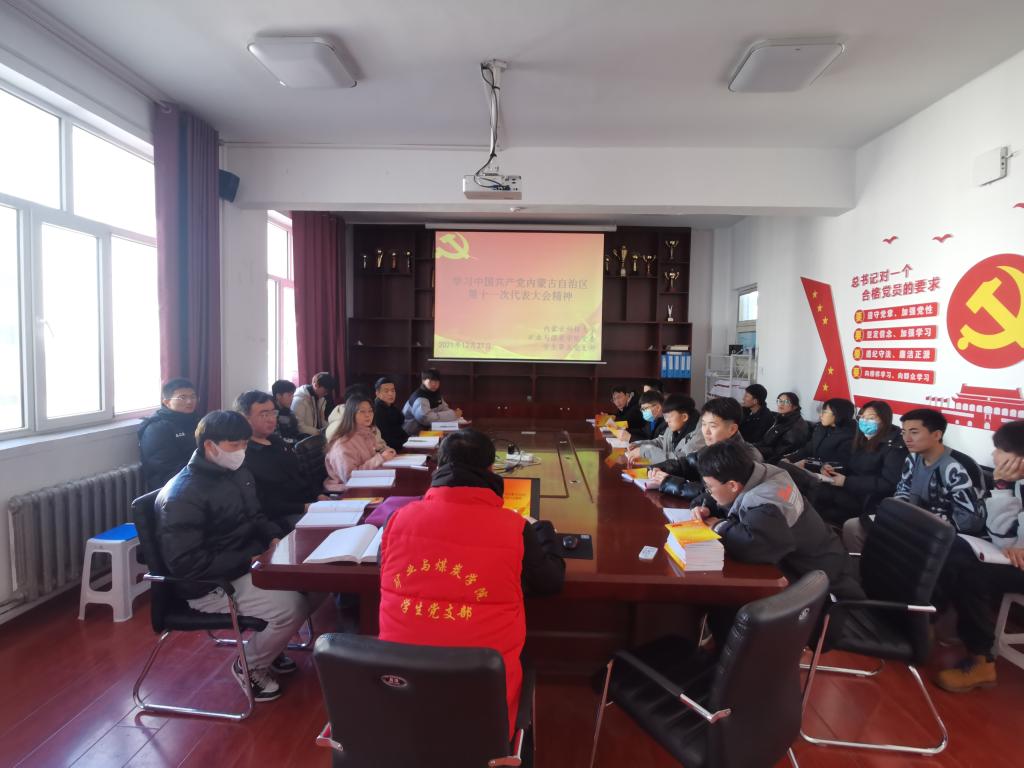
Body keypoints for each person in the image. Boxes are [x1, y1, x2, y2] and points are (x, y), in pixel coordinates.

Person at [378, 429, 565, 737]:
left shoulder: (397, 519)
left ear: (439, 466)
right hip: (484, 708)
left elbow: (385, 570)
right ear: (490, 469)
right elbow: (550, 581)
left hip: (400, 699)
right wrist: (543, 530)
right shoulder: (515, 528)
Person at [154, 410, 320, 702]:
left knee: (316, 584)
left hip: (247, 564)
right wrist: (252, 557)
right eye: (235, 445)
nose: (242, 452)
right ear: (210, 446)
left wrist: (272, 537)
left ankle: (270, 647)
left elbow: (256, 516)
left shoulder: (236, 473)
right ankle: (250, 666)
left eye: (245, 444)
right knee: (291, 607)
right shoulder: (183, 494)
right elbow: (187, 564)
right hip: (209, 585)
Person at [693, 440, 863, 600]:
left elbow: (753, 546)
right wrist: (709, 507)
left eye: (709, 487)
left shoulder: (767, 503)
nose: (708, 491)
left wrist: (718, 525)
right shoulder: (762, 472)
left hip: (821, 583)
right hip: (822, 556)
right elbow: (739, 501)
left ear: (732, 485)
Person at [934, 420, 1024, 692]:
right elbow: (1003, 539)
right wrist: (1002, 486)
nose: (993, 456)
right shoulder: (1016, 483)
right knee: (954, 547)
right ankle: (926, 621)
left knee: (973, 572)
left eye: (1001, 450)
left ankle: (982, 661)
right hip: (1017, 558)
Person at [808, 400, 907, 527]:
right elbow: (852, 465)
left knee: (820, 505)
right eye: (862, 417)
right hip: (850, 489)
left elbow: (888, 484)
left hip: (868, 499)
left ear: (885, 420)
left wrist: (847, 482)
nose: (865, 421)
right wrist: (833, 468)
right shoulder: (863, 438)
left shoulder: (895, 447)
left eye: (871, 418)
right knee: (813, 490)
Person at [235, 389, 321, 532]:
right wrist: (304, 507)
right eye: (264, 414)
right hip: (284, 517)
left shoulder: (277, 441)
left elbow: (300, 474)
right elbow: (264, 503)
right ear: (244, 418)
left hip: (309, 505)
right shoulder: (243, 454)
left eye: (273, 413)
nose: (271, 419)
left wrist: (318, 495)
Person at [893, 409, 985, 533]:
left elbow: (969, 521)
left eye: (914, 432)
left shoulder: (958, 467)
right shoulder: (912, 458)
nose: (906, 438)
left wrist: (921, 522)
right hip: (915, 526)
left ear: (937, 435)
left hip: (950, 534)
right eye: (904, 432)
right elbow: (903, 491)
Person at [650, 397, 763, 497]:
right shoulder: (712, 448)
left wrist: (668, 482)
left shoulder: (746, 458)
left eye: (713, 426)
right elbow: (687, 464)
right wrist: (659, 468)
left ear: (732, 429)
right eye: (704, 424)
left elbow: (717, 495)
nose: (706, 431)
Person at [139, 378, 201, 492]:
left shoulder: (197, 420)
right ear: (166, 402)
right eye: (182, 397)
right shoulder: (156, 428)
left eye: (193, 397)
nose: (190, 401)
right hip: (172, 488)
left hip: (198, 477)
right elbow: (167, 468)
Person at [324, 395, 397, 492]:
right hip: (347, 491)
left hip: (369, 481)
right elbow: (349, 477)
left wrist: (385, 453)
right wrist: (381, 458)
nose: (368, 415)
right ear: (351, 414)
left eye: (370, 411)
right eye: (362, 411)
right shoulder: (343, 443)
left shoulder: (366, 432)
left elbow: (369, 459)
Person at [626, 393, 702, 465]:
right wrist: (640, 444)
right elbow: (661, 442)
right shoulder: (673, 427)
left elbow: (681, 460)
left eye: (669, 417)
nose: (666, 420)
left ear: (684, 417)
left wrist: (645, 451)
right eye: (665, 416)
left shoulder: (700, 435)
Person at [783, 397, 855, 469]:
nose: (820, 415)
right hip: (810, 469)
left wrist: (807, 464)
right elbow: (808, 449)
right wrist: (789, 459)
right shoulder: (820, 428)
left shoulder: (849, 437)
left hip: (824, 473)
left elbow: (839, 465)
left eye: (825, 412)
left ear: (838, 414)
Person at [755, 392, 811, 464]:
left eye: (786, 402)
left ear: (795, 406)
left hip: (774, 462)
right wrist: (752, 447)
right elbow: (766, 441)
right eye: (779, 401)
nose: (781, 404)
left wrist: (763, 464)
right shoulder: (781, 418)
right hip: (764, 453)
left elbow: (779, 453)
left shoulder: (796, 427)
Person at [403, 368, 462, 435]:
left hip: (427, 430)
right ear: (423, 381)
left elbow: (444, 408)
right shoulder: (419, 397)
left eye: (436, 381)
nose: (434, 384)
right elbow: (426, 419)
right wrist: (453, 414)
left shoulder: (435, 393)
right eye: (430, 381)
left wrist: (454, 412)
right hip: (412, 434)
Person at [292, 371, 336, 436]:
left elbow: (320, 420)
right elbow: (299, 426)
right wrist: (318, 432)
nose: (326, 394)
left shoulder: (320, 399)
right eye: (325, 390)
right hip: (304, 437)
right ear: (316, 385)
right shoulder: (300, 400)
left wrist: (330, 428)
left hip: (314, 434)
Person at [372, 376, 409, 452]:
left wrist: (410, 440)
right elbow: (386, 439)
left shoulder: (391, 407)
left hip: (399, 445)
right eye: (386, 391)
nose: (391, 394)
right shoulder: (377, 411)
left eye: (393, 390)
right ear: (377, 393)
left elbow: (399, 430)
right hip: (389, 450)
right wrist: (406, 444)